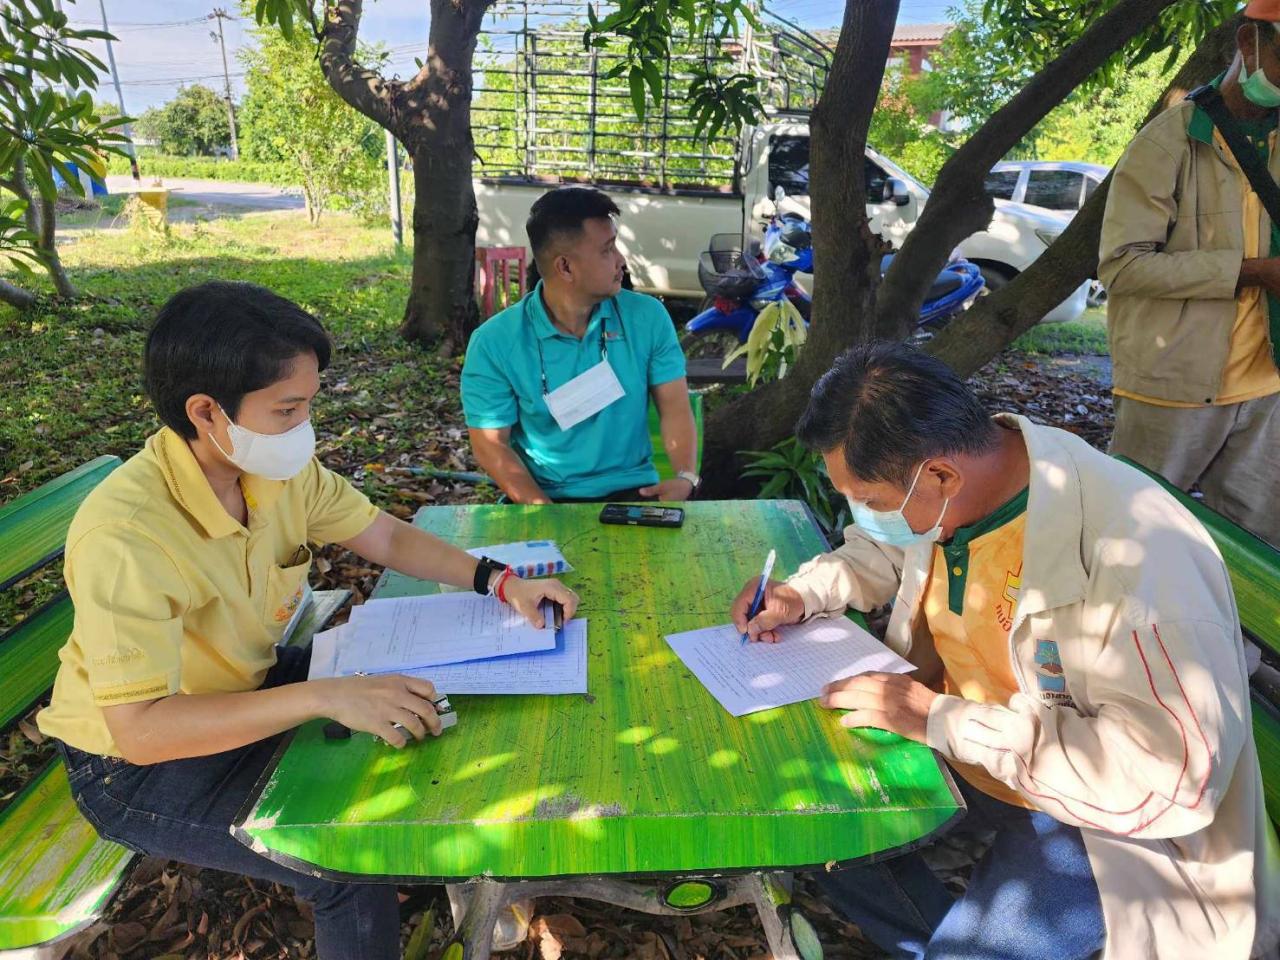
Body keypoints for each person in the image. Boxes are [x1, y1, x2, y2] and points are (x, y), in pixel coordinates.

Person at [36, 281, 578, 960]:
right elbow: (141, 730)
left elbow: (381, 535)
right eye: (286, 409)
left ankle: (455, 867)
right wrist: (324, 695)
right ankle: (410, 869)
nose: (304, 428)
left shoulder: (270, 469)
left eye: (308, 405)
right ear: (206, 411)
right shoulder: (126, 535)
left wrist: (496, 581)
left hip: (246, 688)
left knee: (428, 699)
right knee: (346, 867)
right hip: (134, 765)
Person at [730, 341, 1280, 960]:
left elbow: (1170, 781)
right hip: (985, 757)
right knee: (824, 838)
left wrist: (938, 717)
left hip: (1104, 825)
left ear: (939, 475)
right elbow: (886, 548)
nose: (865, 516)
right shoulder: (965, 483)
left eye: (873, 502)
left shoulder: (1137, 564)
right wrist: (802, 593)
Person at [1100, 0, 1280, 547]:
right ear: (1250, 42)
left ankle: (1232, 638)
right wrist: (1253, 273)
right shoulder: (1167, 141)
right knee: (1133, 538)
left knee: (1256, 551)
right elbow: (1122, 265)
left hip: (1267, 382)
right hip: (1173, 387)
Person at [462, 186, 700, 503]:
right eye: (607, 250)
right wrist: (543, 512)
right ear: (565, 267)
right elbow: (490, 444)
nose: (620, 260)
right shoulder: (495, 343)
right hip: (546, 497)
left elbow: (675, 408)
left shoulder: (646, 318)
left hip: (635, 492)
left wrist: (685, 477)